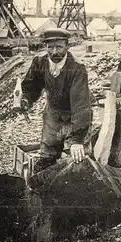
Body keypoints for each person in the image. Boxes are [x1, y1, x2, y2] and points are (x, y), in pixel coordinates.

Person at [20, 28, 92, 173]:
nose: (54, 52)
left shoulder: (77, 68)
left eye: (59, 47)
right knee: (47, 157)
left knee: (78, 160)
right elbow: (31, 85)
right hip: (53, 115)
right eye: (50, 47)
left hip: (76, 115)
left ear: (67, 45)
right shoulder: (40, 62)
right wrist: (27, 100)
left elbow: (81, 104)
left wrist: (77, 139)